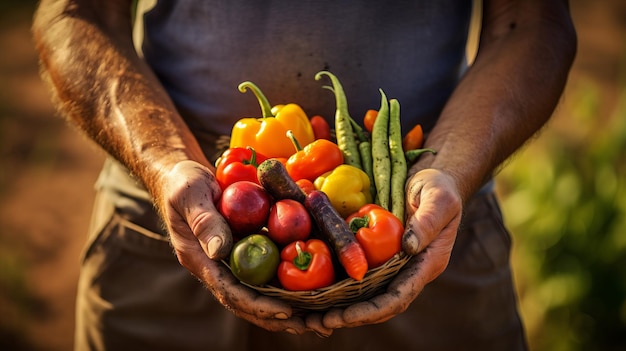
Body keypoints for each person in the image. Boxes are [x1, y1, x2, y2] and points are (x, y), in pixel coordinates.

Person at [32, 0, 576, 350]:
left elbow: (532, 21)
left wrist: (450, 170)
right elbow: (75, 14)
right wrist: (167, 165)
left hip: (426, 223)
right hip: (170, 211)